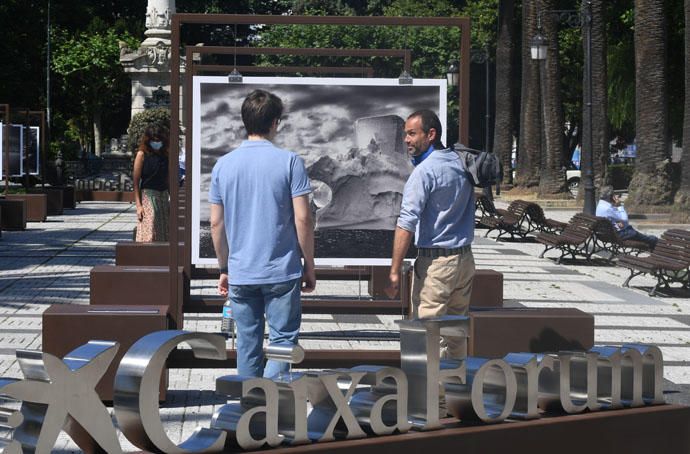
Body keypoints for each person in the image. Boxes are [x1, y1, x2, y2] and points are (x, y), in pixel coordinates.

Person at [209, 89, 316, 378]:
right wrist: (309, 264)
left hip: (242, 271)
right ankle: (273, 408)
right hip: (281, 269)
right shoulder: (290, 161)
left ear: (246, 122)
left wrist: (223, 267)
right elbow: (303, 219)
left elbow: (216, 225)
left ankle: (249, 410)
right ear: (275, 123)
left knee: (246, 344)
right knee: (282, 342)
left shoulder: (223, 165)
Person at [385, 109, 475, 360]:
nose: (406, 140)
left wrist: (394, 271)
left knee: (426, 334)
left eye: (412, 134)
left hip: (436, 265)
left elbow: (406, 222)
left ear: (431, 134)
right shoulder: (460, 162)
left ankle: (429, 396)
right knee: (456, 333)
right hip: (464, 260)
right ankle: (453, 391)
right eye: (405, 134)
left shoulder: (424, 172)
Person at [133, 125, 170, 242]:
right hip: (148, 194)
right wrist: (138, 205)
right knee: (151, 225)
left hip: (163, 194)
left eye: (159, 140)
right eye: (153, 140)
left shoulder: (165, 155)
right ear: (148, 140)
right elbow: (136, 180)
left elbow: (168, 179)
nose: (156, 143)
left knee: (164, 227)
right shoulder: (142, 155)